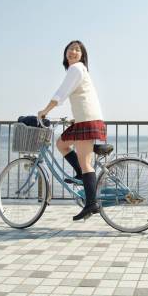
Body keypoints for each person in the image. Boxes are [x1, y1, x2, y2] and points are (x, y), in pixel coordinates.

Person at [37, 40, 106, 221]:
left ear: (82, 55)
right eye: (70, 49)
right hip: (85, 118)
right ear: (65, 54)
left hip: (87, 120)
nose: (73, 52)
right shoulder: (79, 70)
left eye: (77, 50)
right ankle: (81, 176)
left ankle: (91, 203)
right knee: (61, 144)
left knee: (85, 163)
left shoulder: (76, 69)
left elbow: (61, 92)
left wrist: (45, 111)